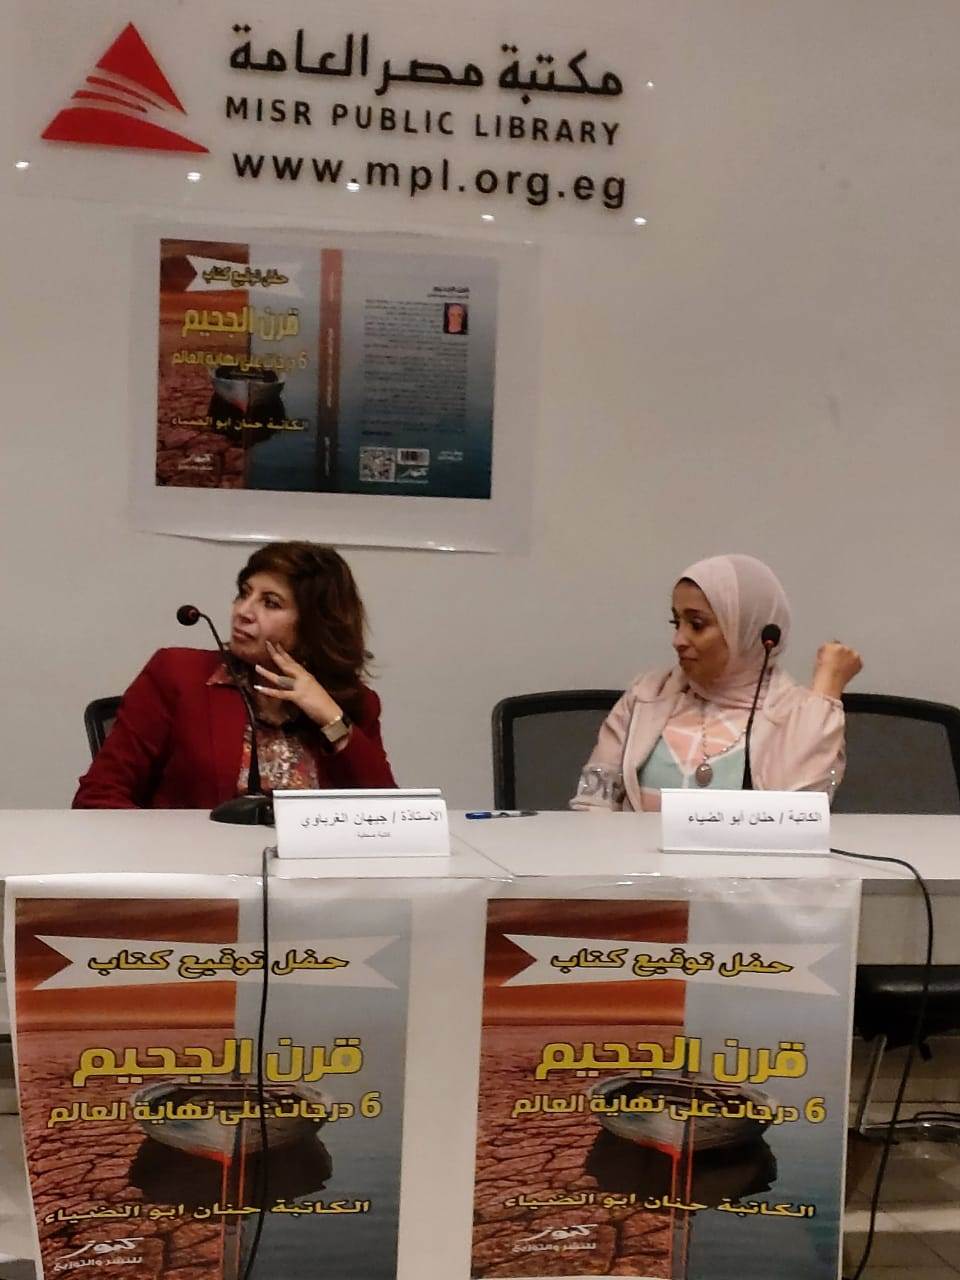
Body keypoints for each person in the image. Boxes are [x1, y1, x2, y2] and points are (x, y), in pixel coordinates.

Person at [74, 542, 395, 809]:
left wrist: (331, 719)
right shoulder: (177, 675)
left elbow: (388, 819)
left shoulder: (353, 704)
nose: (243, 611)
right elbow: (98, 795)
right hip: (194, 864)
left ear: (315, 625)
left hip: (308, 868)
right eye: (244, 594)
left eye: (270, 603)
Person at [572, 554, 862, 812]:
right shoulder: (646, 695)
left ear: (748, 630)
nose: (678, 640)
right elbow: (592, 805)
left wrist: (828, 684)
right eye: (676, 623)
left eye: (697, 625)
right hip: (634, 857)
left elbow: (795, 816)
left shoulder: (796, 714)